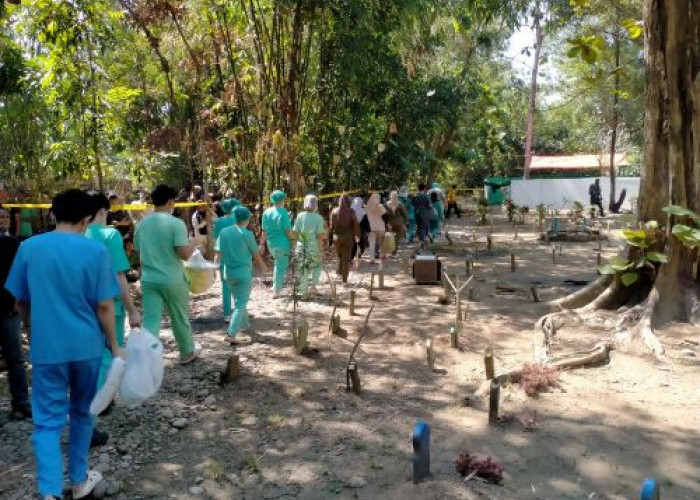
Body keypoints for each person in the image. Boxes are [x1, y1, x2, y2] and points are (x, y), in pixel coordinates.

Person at [5, 189, 122, 500]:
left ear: (52, 214)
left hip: (47, 349)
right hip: (87, 348)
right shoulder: (95, 251)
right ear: (86, 219)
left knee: (46, 423)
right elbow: (105, 307)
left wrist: (30, 330)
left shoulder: (28, 247)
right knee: (84, 412)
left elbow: (20, 300)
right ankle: (80, 480)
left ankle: (49, 492)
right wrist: (114, 346)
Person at [134, 185, 200, 364]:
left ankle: (145, 358)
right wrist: (194, 243)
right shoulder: (175, 223)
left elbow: (138, 252)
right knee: (179, 317)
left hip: (149, 279)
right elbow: (184, 254)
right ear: (171, 201)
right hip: (172, 279)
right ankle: (186, 353)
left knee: (150, 319)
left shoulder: (141, 225)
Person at [84, 190, 141, 388]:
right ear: (102, 211)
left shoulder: (75, 234)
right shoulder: (110, 234)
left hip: (82, 305)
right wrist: (133, 310)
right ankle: (96, 402)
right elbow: (119, 276)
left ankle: (92, 398)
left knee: (90, 354)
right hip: (111, 305)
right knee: (109, 351)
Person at [215, 206, 267, 344]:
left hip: (229, 274)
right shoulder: (247, 234)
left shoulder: (224, 232)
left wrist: (214, 269)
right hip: (243, 274)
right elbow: (256, 254)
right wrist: (263, 267)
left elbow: (218, 254)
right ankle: (231, 333)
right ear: (247, 219)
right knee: (241, 303)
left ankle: (244, 325)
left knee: (239, 300)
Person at [0, 207, 30, 420]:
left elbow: (21, 275)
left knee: (15, 358)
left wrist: (17, 303)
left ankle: (20, 402)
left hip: (9, 308)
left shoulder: (14, 243)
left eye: (6, 216)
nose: (4, 219)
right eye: (1, 216)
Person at [261, 190, 294, 299]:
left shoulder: (266, 212)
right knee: (280, 266)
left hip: (271, 243)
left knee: (277, 264)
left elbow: (264, 231)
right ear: (282, 200)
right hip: (282, 243)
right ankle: (276, 291)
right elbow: (288, 230)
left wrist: (262, 244)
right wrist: (293, 240)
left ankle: (275, 286)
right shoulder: (283, 212)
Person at [292, 195, 326, 297]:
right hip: (313, 247)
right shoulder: (319, 218)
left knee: (303, 268)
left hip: (301, 246)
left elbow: (295, 232)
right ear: (315, 204)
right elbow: (320, 236)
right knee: (318, 265)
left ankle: (303, 292)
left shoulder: (300, 216)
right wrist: (321, 250)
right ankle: (313, 287)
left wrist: (294, 246)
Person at [213, 198, 240, 321]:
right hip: (238, 255)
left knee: (225, 285)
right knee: (239, 284)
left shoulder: (218, 221)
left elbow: (215, 238)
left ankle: (227, 314)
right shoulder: (239, 219)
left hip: (223, 254)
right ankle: (240, 311)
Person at [330, 195, 359, 283]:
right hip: (348, 238)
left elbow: (331, 226)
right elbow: (355, 225)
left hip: (336, 238)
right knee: (346, 258)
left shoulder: (334, 211)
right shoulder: (352, 212)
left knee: (341, 256)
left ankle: (339, 271)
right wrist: (356, 236)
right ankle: (344, 280)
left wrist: (330, 240)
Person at [365, 192, 387, 265]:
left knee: (372, 244)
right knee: (381, 243)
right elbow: (385, 217)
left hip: (371, 227)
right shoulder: (380, 206)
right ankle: (383, 257)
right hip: (380, 227)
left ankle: (372, 259)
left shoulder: (367, 207)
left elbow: (366, 216)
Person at [385, 190, 407, 255]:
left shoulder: (386, 204)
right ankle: (394, 251)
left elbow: (384, 214)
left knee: (390, 237)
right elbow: (404, 214)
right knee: (397, 237)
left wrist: (385, 222)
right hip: (398, 223)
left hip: (389, 223)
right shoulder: (400, 204)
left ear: (390, 196)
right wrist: (406, 221)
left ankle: (390, 250)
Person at [351, 196, 369, 263]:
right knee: (362, 247)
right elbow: (366, 224)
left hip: (352, 232)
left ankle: (351, 259)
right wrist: (368, 231)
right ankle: (359, 255)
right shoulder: (363, 213)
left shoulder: (350, 212)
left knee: (353, 246)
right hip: (360, 233)